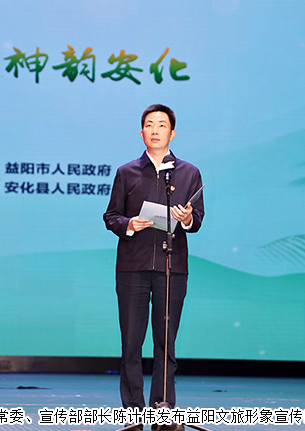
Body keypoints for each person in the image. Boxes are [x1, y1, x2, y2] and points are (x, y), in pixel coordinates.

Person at [103, 104, 204, 431]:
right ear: (142, 132)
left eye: (162, 125)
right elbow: (111, 216)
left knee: (166, 343)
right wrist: (129, 224)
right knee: (131, 344)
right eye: (150, 124)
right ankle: (132, 414)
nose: (156, 130)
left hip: (172, 268)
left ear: (172, 133)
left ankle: (163, 410)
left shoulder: (189, 173)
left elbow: (197, 219)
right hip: (132, 267)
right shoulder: (127, 172)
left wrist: (186, 219)